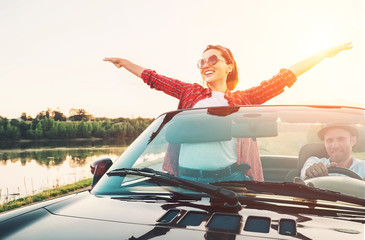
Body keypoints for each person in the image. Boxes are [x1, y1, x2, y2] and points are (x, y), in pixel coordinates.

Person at [104, 43, 352, 182]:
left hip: (228, 182)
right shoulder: (189, 92)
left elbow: (285, 77)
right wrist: (125, 63)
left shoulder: (244, 98)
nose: (206, 65)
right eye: (201, 62)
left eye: (213, 59)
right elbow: (155, 79)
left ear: (229, 66)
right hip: (184, 181)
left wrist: (323, 55)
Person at [301, 124, 365, 179]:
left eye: (341, 139)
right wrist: (311, 172)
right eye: (329, 140)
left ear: (353, 141)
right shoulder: (314, 162)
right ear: (324, 143)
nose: (335, 146)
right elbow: (304, 175)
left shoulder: (363, 167)